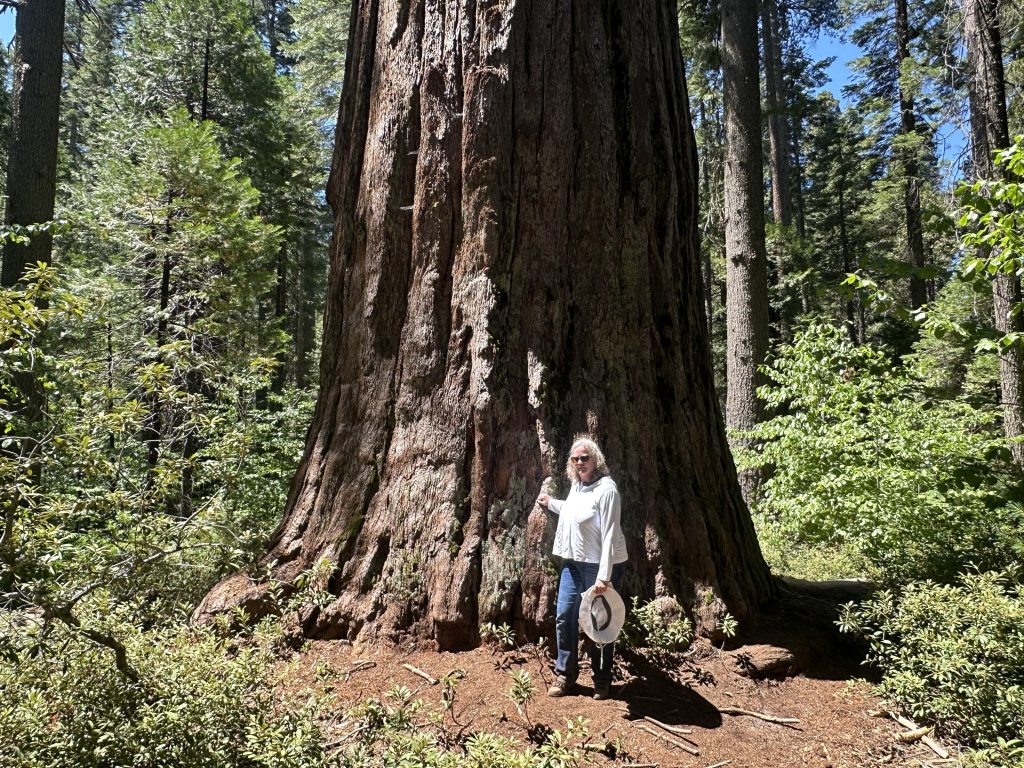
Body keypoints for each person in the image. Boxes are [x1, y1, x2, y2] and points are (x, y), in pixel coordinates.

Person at [537, 437, 627, 700]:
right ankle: (565, 674)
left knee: (599, 621)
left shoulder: (607, 490)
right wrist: (551, 503)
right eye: (575, 459)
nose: (579, 463)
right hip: (573, 563)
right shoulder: (577, 486)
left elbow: (611, 534)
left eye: (584, 458)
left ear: (595, 459)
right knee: (565, 614)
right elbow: (575, 512)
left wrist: (604, 576)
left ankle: (601, 679)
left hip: (598, 565)